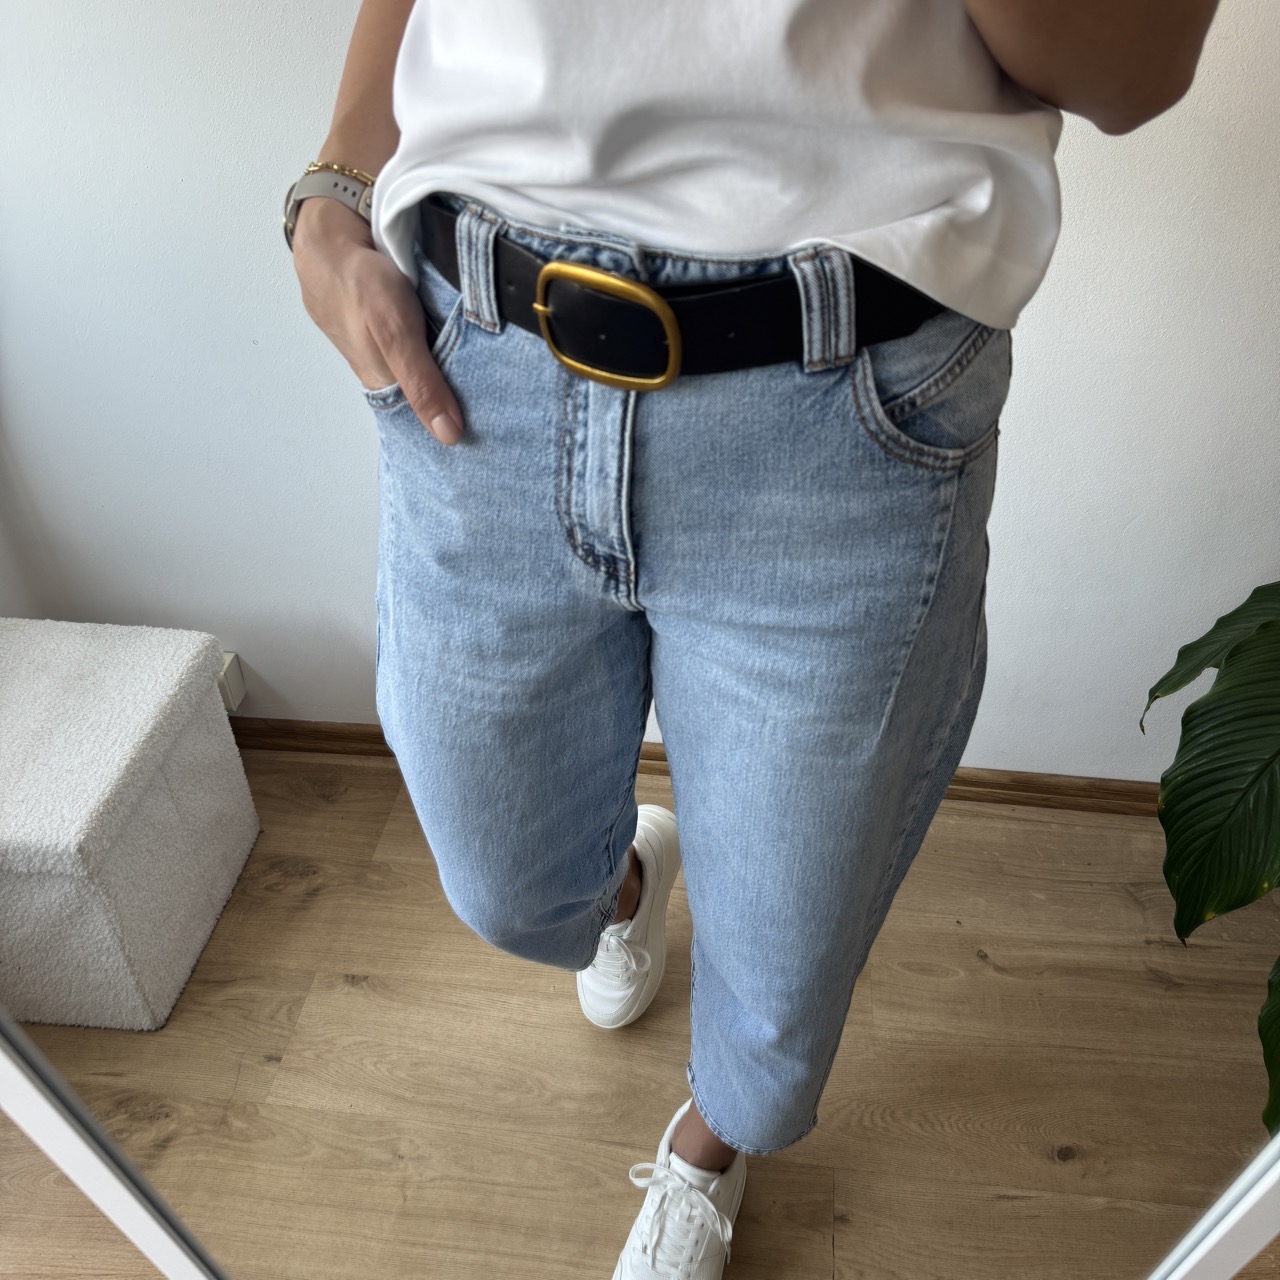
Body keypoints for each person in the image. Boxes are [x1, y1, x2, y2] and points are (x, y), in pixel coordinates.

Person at [289, 2, 1221, 1275]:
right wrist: (336, 182)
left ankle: (709, 1144)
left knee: (781, 989)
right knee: (507, 885)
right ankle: (630, 882)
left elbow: (1133, 72)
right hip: (482, 356)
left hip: (842, 406)